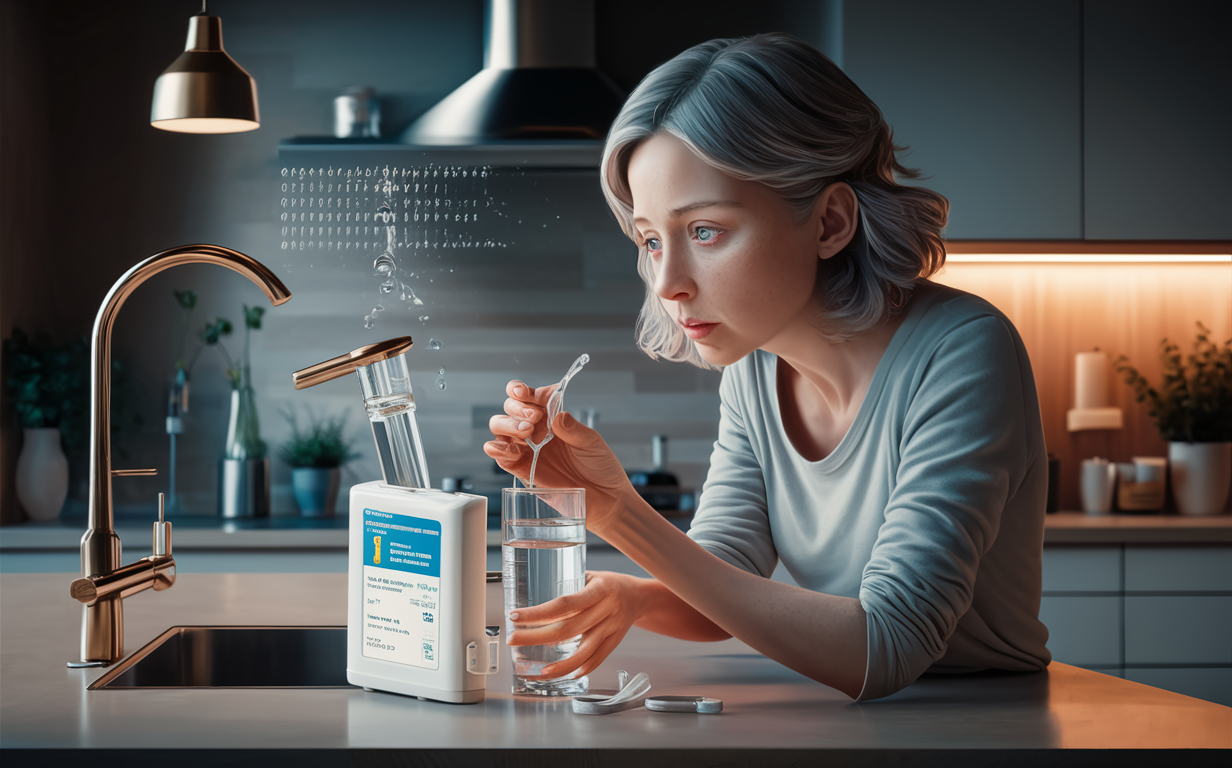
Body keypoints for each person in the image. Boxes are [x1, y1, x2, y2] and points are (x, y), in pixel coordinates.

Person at [484, 32, 1050, 701]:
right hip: (857, 725)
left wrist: (621, 516)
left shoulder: (961, 351)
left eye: (705, 231)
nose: (667, 282)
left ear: (831, 221)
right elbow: (723, 581)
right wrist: (634, 595)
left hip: (986, 725)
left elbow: (888, 646)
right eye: (650, 238)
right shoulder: (755, 370)